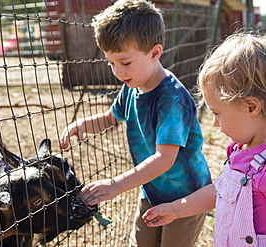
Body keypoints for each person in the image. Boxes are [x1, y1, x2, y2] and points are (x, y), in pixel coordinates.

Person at [59, 1, 212, 246]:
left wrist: (115, 185)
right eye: (111, 63)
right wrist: (83, 124)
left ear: (154, 53)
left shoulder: (171, 99)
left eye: (125, 62)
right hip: (151, 190)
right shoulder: (132, 86)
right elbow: (112, 117)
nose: (117, 71)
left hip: (186, 198)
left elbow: (165, 158)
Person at [142, 32, 266, 247]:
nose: (214, 123)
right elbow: (219, 192)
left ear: (251, 107)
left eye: (217, 113)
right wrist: (175, 209)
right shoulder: (240, 150)